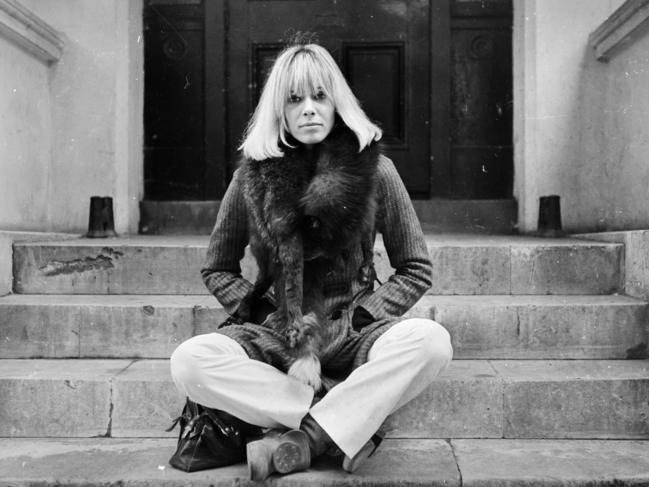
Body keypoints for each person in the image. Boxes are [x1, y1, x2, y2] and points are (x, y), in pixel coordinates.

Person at [169, 42, 453, 481]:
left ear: (336, 102)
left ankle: (311, 437)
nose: (309, 111)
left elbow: (416, 268)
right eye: (294, 99)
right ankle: (345, 421)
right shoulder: (251, 178)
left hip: (354, 328)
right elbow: (217, 268)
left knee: (432, 341)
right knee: (189, 360)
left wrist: (365, 315)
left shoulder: (377, 172)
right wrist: (264, 312)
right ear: (279, 109)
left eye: (319, 97)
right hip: (280, 330)